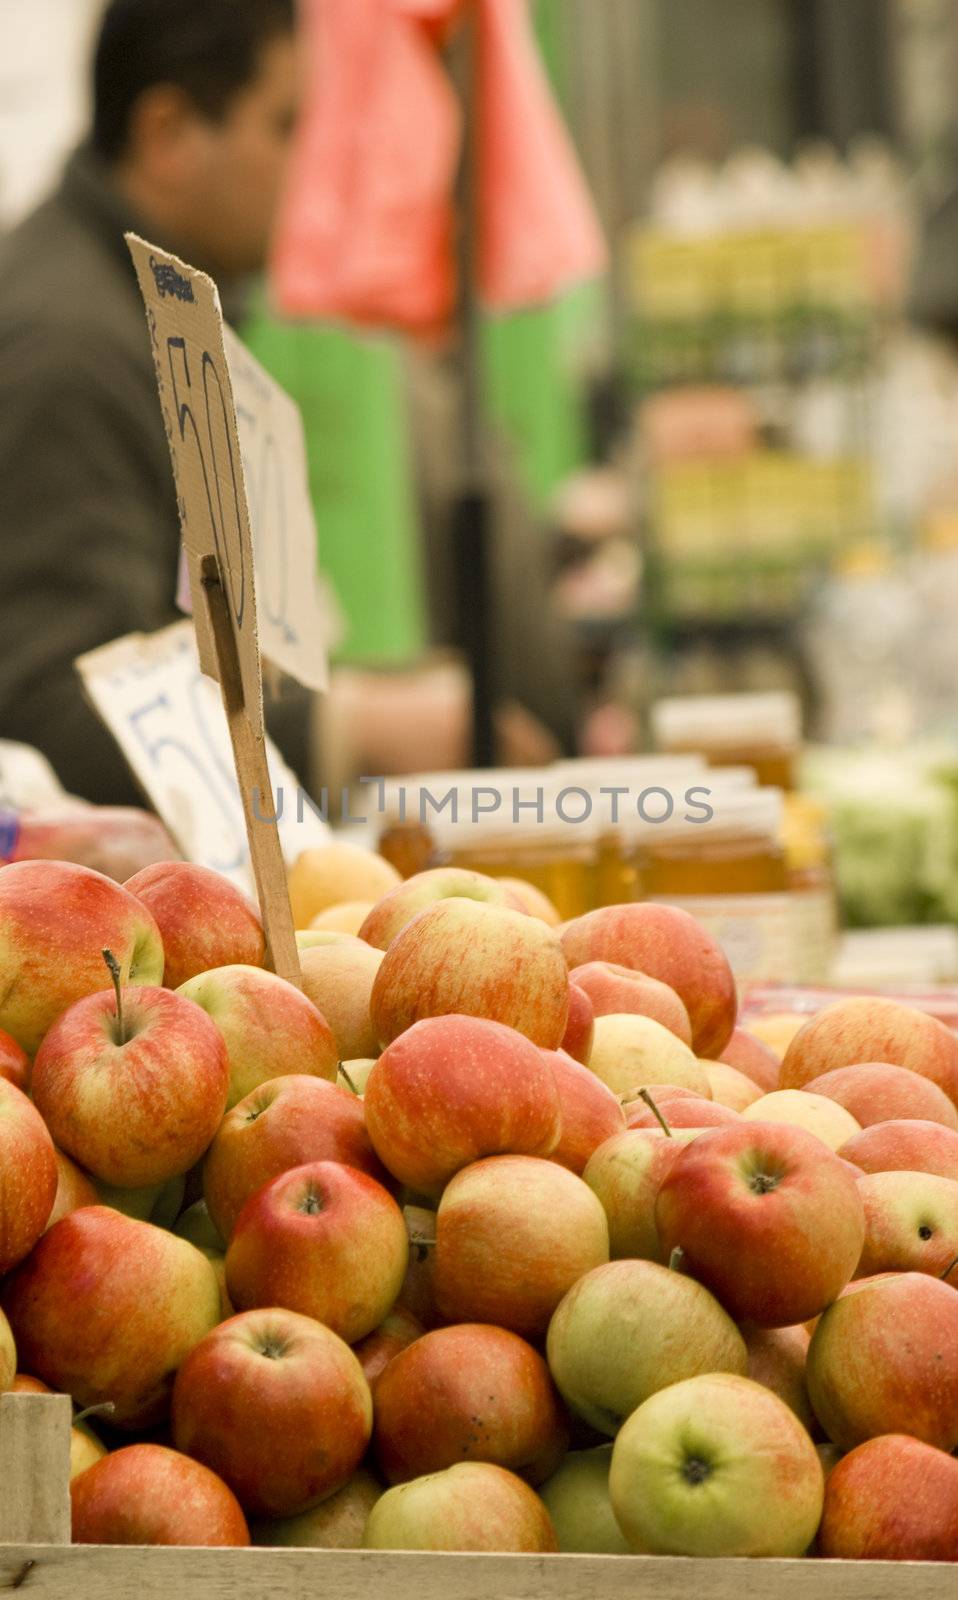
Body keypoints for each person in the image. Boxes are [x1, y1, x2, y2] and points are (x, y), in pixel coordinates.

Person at [0, 0, 310, 806]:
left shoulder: (143, 314)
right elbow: (58, 708)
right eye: (283, 126)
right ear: (168, 134)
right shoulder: (72, 346)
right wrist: (342, 733)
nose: (307, 167)